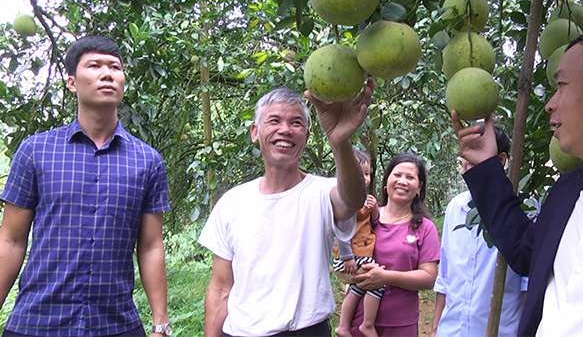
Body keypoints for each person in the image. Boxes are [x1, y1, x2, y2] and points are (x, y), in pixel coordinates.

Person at [451, 27, 583, 336]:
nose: (550, 104)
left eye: (561, 85)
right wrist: (485, 168)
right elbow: (528, 255)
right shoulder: (567, 190)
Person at [0, 36, 172, 337]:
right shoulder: (36, 151)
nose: (107, 74)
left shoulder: (148, 161)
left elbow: (151, 245)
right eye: (94, 65)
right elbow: (11, 241)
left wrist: (161, 324)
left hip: (116, 325)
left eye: (115, 67)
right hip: (37, 323)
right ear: (72, 82)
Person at [198, 81, 373, 337]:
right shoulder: (232, 202)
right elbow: (220, 288)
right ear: (255, 132)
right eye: (274, 121)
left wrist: (340, 141)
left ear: (307, 135)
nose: (285, 130)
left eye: (296, 123)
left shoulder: (322, 193)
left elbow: (352, 199)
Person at [431, 124, 526, 337]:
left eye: (478, 150)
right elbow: (445, 276)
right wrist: (436, 328)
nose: (469, 159)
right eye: (467, 150)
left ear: (500, 160)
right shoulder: (456, 208)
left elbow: (527, 282)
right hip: (452, 331)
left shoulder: (524, 209)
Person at [340, 152, 440, 337]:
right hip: (357, 321)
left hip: (400, 324)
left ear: (419, 188)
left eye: (410, 177)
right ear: (386, 183)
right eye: (397, 175)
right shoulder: (363, 217)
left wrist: (385, 277)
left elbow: (428, 278)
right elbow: (342, 259)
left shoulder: (425, 228)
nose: (403, 181)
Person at [333, 148, 383, 337]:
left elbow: (373, 226)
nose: (364, 178)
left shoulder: (365, 200)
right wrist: (347, 257)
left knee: (359, 285)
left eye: (367, 174)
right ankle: (367, 325)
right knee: (379, 279)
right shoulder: (345, 199)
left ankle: (344, 326)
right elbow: (341, 230)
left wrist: (375, 210)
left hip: (359, 254)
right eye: (357, 173)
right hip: (350, 256)